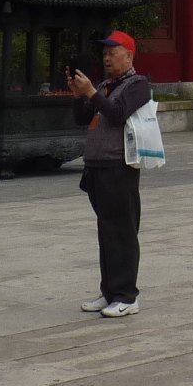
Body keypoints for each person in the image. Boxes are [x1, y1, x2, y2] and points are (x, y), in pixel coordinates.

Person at [69, 30, 150, 318]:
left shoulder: (138, 84)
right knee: (106, 231)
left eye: (112, 53)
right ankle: (109, 291)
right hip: (97, 167)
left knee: (122, 232)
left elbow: (117, 113)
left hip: (119, 167)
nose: (106, 58)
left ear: (128, 55)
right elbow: (83, 118)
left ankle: (127, 295)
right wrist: (80, 96)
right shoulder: (105, 84)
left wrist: (92, 92)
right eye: (104, 53)